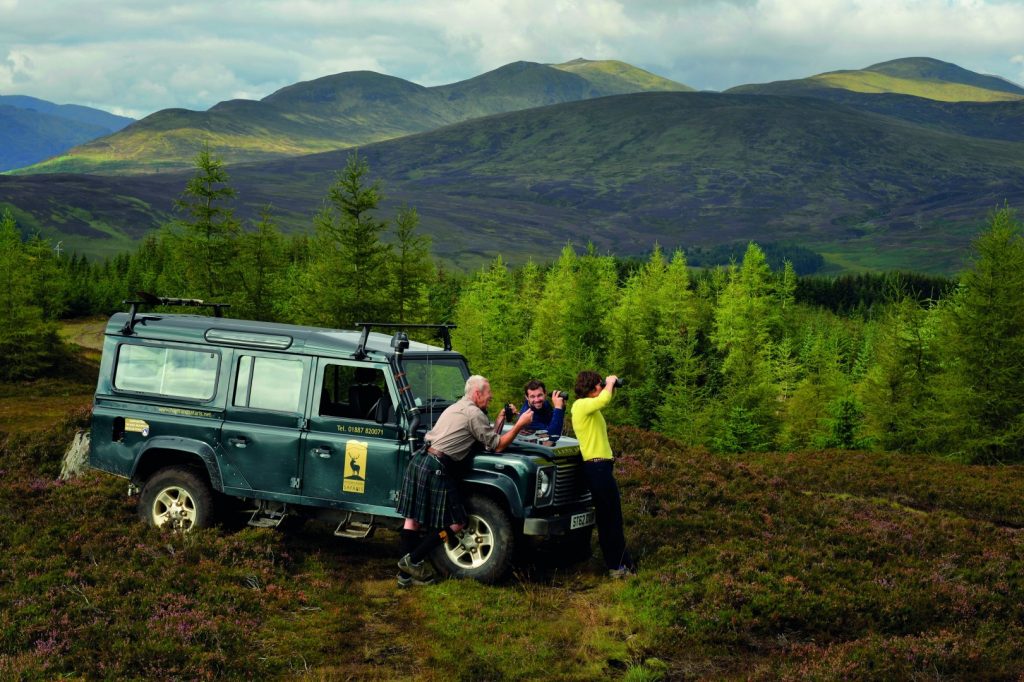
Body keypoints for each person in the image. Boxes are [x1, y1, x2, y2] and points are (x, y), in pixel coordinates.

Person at [395, 375, 533, 586]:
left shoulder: (457, 407)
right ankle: (412, 561)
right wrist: (519, 425)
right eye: (488, 393)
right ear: (477, 393)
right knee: (457, 522)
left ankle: (404, 577)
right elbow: (497, 446)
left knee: (412, 520)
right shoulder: (474, 414)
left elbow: (485, 440)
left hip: (421, 461)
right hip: (438, 468)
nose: (491, 396)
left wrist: (498, 421)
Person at [570, 370, 635, 578]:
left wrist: (610, 385)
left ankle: (621, 563)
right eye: (598, 384)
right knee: (609, 518)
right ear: (592, 387)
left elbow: (606, 397)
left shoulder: (591, 408)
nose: (602, 388)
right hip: (596, 467)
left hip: (601, 467)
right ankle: (617, 566)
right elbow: (605, 399)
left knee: (612, 516)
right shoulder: (580, 405)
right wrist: (610, 381)